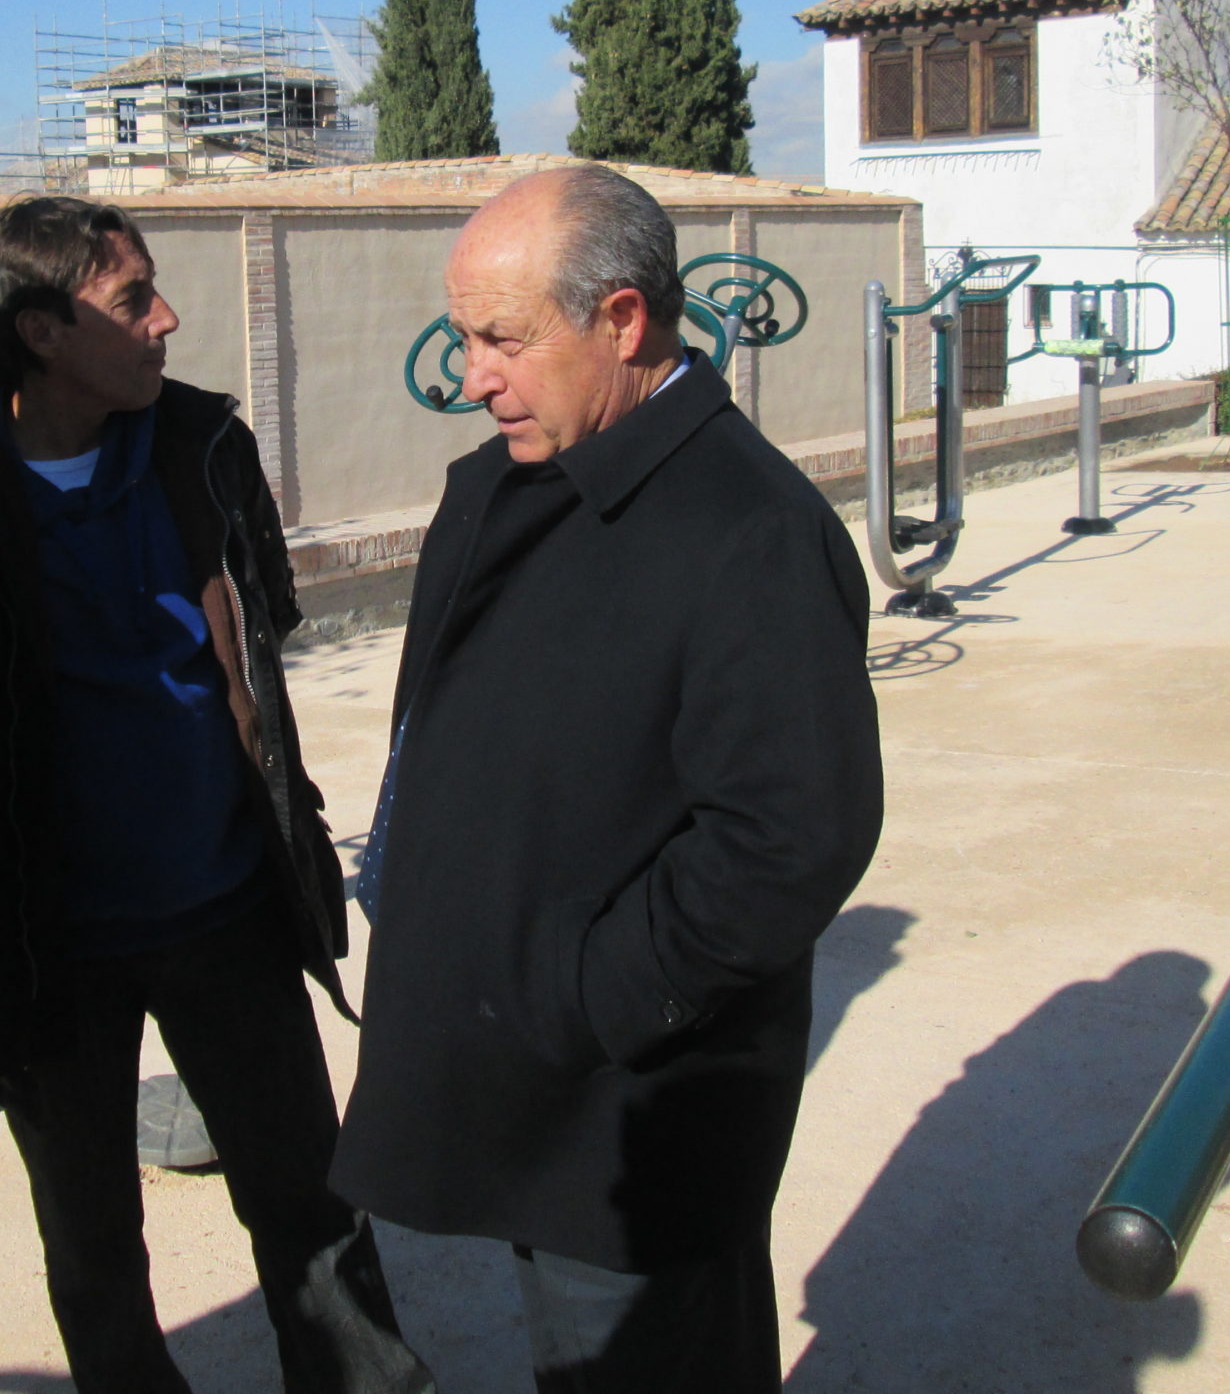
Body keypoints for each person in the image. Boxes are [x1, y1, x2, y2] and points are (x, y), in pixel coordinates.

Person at [332, 165, 886, 1393]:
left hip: (627, 1108)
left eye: (503, 339)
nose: (473, 375)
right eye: (468, 336)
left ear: (622, 321)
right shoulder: (509, 481)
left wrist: (587, 995)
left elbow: (791, 836)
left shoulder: (751, 528)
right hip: (523, 1072)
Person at [0, 196, 431, 1394]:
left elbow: (264, 625)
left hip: (228, 911)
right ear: (40, 331)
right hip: (49, 949)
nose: (168, 318)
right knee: (91, 1247)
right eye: (130, 298)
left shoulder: (204, 441)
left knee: (313, 1207)